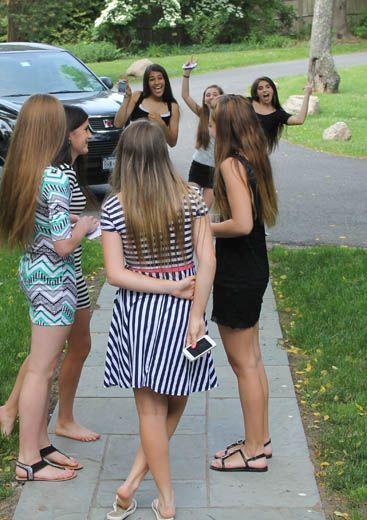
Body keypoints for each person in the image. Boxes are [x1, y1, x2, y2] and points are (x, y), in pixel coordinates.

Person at [101, 121, 216, 520]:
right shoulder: (192, 198)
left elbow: (115, 274)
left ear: (125, 158)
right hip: (184, 307)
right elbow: (208, 260)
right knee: (178, 395)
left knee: (152, 409)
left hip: (139, 311)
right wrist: (197, 313)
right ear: (162, 153)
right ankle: (155, 495)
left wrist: (164, 287)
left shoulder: (115, 206)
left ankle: (144, 489)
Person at [0, 94, 100, 482]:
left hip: (35, 273)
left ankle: (41, 446)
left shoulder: (29, 170)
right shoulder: (56, 177)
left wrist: (68, 222)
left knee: (43, 365)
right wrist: (83, 226)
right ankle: (28, 462)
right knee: (41, 371)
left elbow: (45, 225)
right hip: (54, 281)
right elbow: (62, 246)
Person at [207, 95, 279, 473]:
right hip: (252, 266)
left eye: (213, 121)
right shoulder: (252, 158)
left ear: (225, 126)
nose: (209, 126)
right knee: (252, 360)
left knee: (243, 364)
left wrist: (204, 227)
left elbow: (242, 223)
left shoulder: (230, 164)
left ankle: (252, 451)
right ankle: (260, 439)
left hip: (238, 272)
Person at [181, 57, 223, 207]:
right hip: (198, 165)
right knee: (192, 205)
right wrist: (186, 73)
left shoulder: (227, 119)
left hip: (215, 169)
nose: (211, 96)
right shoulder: (202, 114)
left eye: (215, 94)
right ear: (205, 99)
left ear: (222, 97)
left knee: (204, 208)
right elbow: (185, 96)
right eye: (208, 94)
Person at [114, 64, 181, 147]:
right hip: (133, 151)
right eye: (152, 79)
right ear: (147, 83)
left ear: (165, 81)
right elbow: (118, 124)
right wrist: (127, 98)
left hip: (157, 153)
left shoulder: (173, 106)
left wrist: (161, 124)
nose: (157, 82)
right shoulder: (137, 97)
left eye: (160, 78)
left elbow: (172, 142)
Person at [249, 76, 313, 152]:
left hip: (256, 153)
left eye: (268, 87)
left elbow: (299, 119)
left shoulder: (278, 114)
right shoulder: (247, 103)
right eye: (260, 88)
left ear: (273, 90)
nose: (264, 90)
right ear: (256, 93)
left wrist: (307, 94)